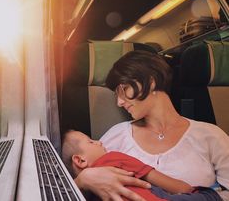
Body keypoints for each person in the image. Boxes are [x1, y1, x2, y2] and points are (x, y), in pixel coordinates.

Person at [73, 50, 229, 201]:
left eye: (123, 89)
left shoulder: (211, 135)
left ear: (150, 81)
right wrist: (82, 180)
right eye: (116, 95)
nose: (119, 102)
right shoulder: (117, 134)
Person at [62, 130, 222, 201]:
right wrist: (190, 191)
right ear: (80, 161)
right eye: (91, 141)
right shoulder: (113, 157)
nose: (99, 141)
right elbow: (170, 184)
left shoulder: (83, 194)